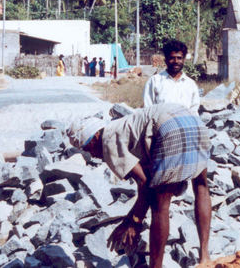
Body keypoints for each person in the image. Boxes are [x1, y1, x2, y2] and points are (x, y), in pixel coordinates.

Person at [68, 103, 211, 267]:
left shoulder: (108, 141)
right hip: (193, 120)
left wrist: (135, 222)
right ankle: (205, 257)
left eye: (87, 149)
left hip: (170, 129)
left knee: (160, 204)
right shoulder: (122, 125)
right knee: (201, 185)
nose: (92, 155)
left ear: (94, 138)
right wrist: (130, 220)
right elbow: (149, 179)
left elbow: (145, 184)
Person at [143, 40, 200, 113]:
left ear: (184, 60)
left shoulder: (191, 84)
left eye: (179, 58)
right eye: (172, 58)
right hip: (161, 124)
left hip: (185, 123)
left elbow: (194, 112)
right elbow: (148, 110)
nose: (176, 61)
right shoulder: (154, 81)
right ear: (166, 60)